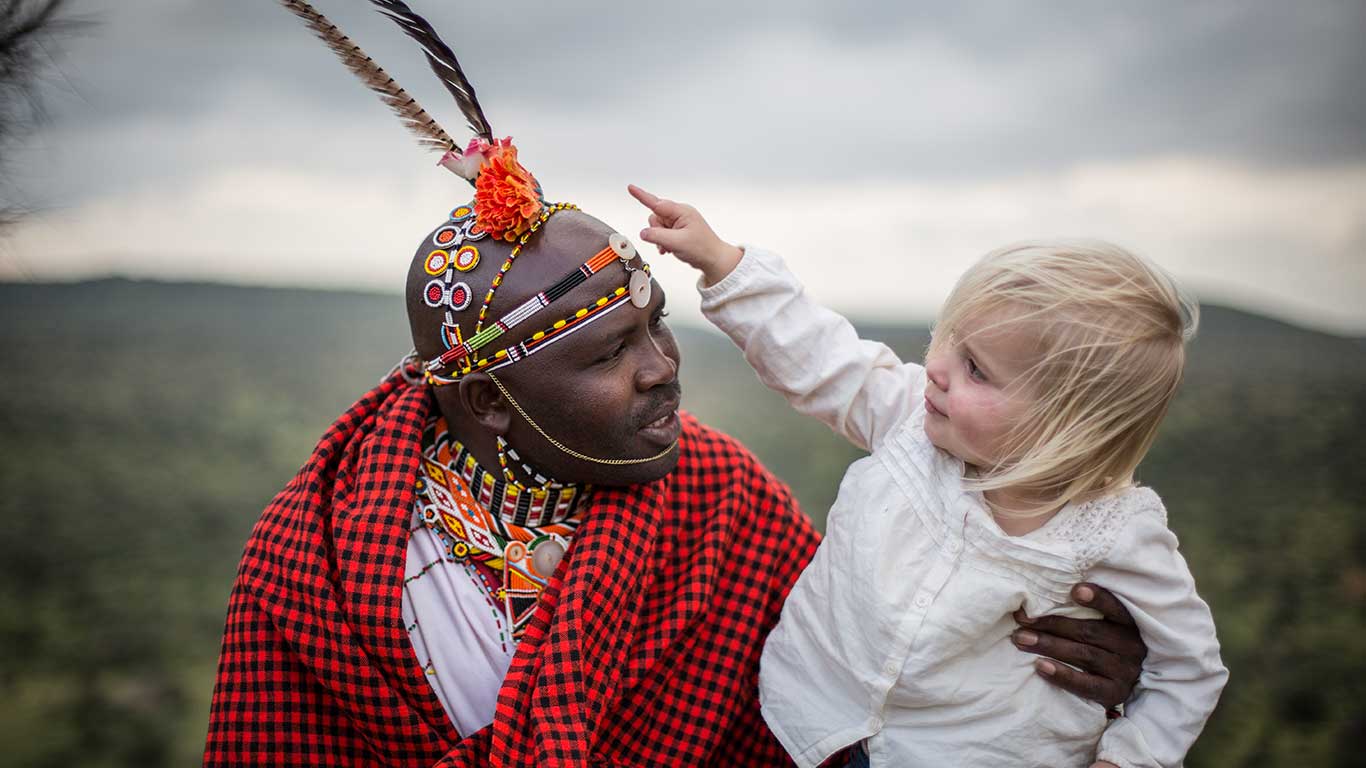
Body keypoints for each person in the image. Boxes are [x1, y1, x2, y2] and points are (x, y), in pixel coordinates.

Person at [204, 2, 1154, 765]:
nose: (662, 366)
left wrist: (1058, 672)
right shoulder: (316, 566)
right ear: (490, 400)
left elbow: (875, 662)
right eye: (607, 353)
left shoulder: (724, 501)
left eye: (656, 323)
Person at [628, 185, 1229, 768]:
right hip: (808, 718)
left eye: (976, 369)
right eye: (947, 339)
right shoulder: (910, 418)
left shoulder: (1113, 535)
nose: (936, 368)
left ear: (1064, 424)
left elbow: (1188, 669)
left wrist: (1130, 757)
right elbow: (822, 358)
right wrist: (724, 262)